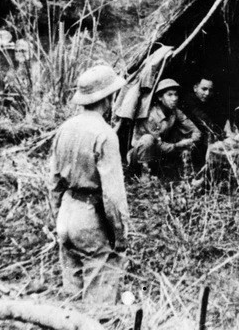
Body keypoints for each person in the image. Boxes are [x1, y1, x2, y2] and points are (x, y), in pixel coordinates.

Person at [49, 64, 130, 304]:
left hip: (66, 213)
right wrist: (120, 233)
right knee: (100, 298)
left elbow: (53, 183)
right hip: (90, 218)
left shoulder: (64, 129)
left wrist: (56, 217)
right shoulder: (104, 134)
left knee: (71, 295)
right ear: (109, 98)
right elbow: (112, 195)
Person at [129, 78, 202, 176]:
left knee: (182, 137)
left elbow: (194, 129)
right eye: (170, 95)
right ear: (160, 97)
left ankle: (185, 173)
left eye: (176, 94)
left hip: (159, 154)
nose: (174, 98)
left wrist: (191, 140)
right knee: (148, 139)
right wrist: (177, 145)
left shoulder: (175, 112)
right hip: (139, 156)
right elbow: (158, 144)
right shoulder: (151, 116)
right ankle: (144, 173)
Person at [180, 77, 224, 170]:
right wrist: (220, 133)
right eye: (204, 89)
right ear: (195, 88)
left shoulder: (209, 101)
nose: (207, 93)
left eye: (210, 90)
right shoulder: (189, 100)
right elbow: (202, 118)